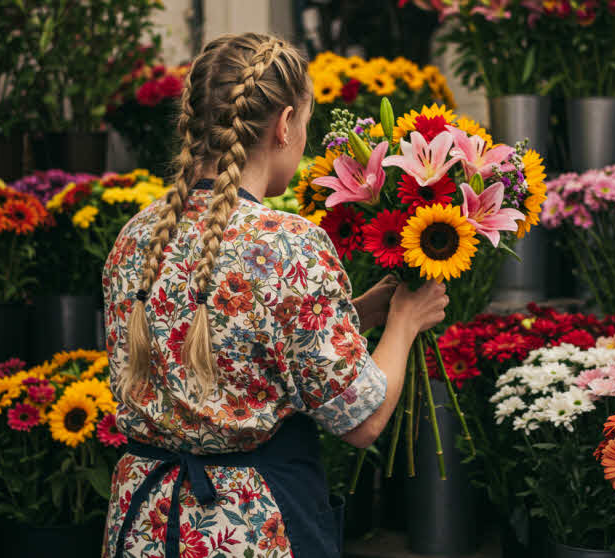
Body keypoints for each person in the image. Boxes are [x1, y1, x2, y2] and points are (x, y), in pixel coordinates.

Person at [101, 32, 449, 558]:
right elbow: (362, 419)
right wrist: (404, 320)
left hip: (145, 522)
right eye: (305, 123)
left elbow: (224, 345)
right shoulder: (287, 244)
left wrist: (358, 312)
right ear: (285, 124)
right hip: (245, 527)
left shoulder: (135, 236)